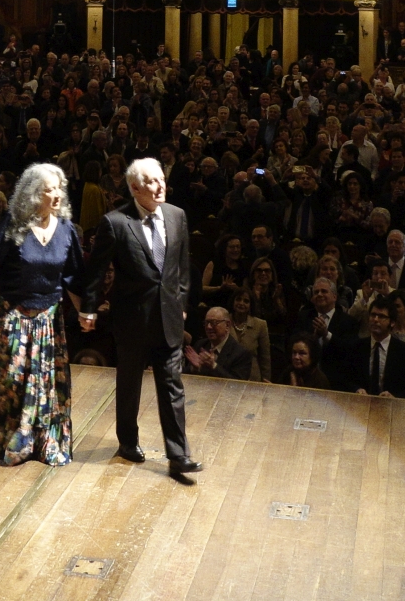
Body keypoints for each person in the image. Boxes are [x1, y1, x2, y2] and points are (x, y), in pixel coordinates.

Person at [0, 163, 85, 467]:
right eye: (51, 189)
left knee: (45, 385)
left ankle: (42, 441)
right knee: (10, 381)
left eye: (60, 188)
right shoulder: (13, 224)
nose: (57, 194)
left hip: (48, 320)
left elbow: (74, 277)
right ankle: (7, 436)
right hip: (13, 316)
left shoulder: (66, 230)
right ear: (34, 193)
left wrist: (84, 310)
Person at [81, 158, 202, 477]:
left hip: (169, 318)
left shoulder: (177, 215)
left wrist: (183, 304)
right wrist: (89, 307)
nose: (160, 185)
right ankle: (128, 442)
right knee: (130, 383)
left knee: (172, 385)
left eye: (162, 179)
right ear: (135, 188)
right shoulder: (115, 222)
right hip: (132, 319)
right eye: (151, 181)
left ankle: (179, 454)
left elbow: (183, 269)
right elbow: (95, 272)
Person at [345, 296, 405, 399]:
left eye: (381, 316)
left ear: (392, 322)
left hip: (393, 409)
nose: (375, 320)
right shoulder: (356, 347)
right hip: (360, 406)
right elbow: (344, 379)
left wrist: (395, 397)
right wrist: (356, 389)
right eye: (373, 315)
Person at [185, 307, 253, 380]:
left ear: (227, 325)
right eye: (206, 323)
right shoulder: (201, 345)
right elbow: (184, 375)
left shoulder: (241, 354)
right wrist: (194, 368)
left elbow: (237, 386)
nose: (209, 327)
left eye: (214, 323)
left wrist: (214, 366)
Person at [227, 287, 272, 383]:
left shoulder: (260, 325)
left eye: (246, 301)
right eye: (238, 299)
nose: (241, 303)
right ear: (233, 302)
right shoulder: (223, 321)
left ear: (251, 305)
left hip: (252, 377)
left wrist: (266, 380)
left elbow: (265, 358)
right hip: (227, 374)